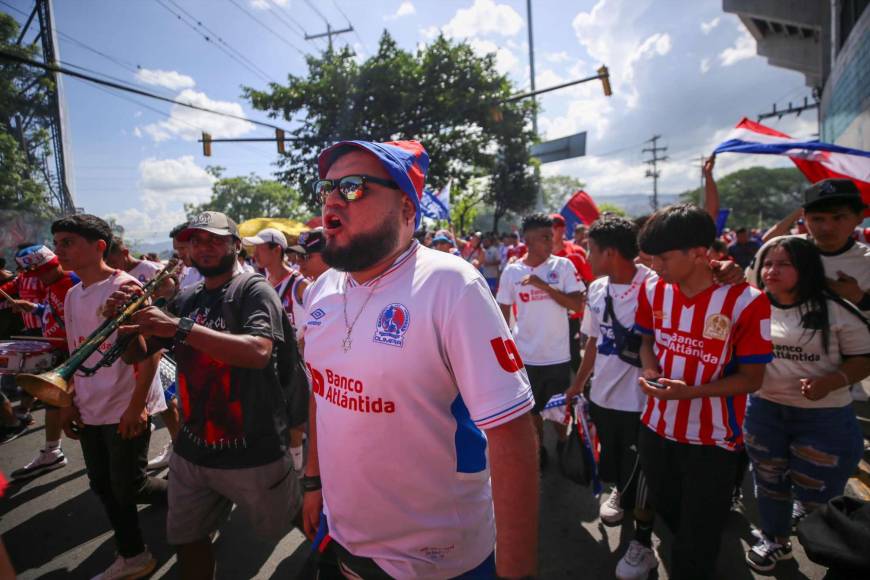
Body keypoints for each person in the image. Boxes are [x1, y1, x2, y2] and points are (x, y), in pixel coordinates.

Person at [302, 140, 538, 578]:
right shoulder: (321, 289)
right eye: (327, 187)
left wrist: (516, 572)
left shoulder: (451, 285)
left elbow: (512, 435)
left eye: (353, 187)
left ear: (408, 211)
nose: (332, 198)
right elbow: (322, 393)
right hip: (347, 539)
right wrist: (313, 481)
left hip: (442, 559)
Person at [116, 211, 303, 580]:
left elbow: (258, 351)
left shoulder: (252, 289)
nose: (204, 247)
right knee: (187, 539)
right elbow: (134, 353)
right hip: (191, 449)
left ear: (235, 245)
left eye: (215, 239)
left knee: (298, 520)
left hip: (253, 449)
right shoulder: (187, 298)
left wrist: (179, 328)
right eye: (196, 241)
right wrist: (125, 323)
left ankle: (339, 563)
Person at [634, 203, 773, 580]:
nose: (655, 267)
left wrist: (691, 393)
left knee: (696, 543)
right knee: (672, 514)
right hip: (655, 429)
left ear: (698, 253)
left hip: (712, 443)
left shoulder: (747, 301)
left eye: (662, 257)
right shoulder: (652, 288)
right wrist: (650, 366)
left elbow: (752, 379)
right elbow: (647, 338)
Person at [743, 237, 870, 573]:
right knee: (768, 481)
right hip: (763, 412)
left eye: (784, 264)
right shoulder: (750, 303)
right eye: (768, 263)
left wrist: (830, 383)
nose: (772, 270)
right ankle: (775, 539)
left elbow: (863, 358)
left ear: (807, 268)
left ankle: (831, 554)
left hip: (824, 420)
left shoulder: (836, 309)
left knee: (818, 494)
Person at [52, 214, 168, 580]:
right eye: (57, 243)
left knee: (129, 485)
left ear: (99, 246)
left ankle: (188, 497)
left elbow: (150, 354)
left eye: (68, 242)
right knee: (103, 484)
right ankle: (133, 552)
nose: (60, 251)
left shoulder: (126, 287)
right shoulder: (72, 294)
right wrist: (68, 400)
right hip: (89, 407)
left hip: (123, 405)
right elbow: (75, 353)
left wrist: (137, 407)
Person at [564, 215, 657, 579]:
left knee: (643, 469)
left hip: (642, 402)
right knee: (616, 464)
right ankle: (619, 494)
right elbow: (591, 341)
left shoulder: (655, 286)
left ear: (611, 252)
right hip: (602, 398)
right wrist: (578, 384)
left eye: (591, 249)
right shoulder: (598, 288)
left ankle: (643, 542)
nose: (586, 255)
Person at [496, 213, 585, 467]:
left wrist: (543, 286)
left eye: (553, 236)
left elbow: (578, 304)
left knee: (558, 413)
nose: (552, 242)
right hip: (526, 358)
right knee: (532, 413)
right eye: (545, 237)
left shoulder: (563, 266)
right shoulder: (512, 272)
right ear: (529, 241)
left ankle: (562, 445)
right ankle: (540, 452)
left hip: (557, 356)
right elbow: (502, 316)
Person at [106, 236, 181, 471]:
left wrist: (154, 306)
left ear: (124, 252)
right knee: (164, 399)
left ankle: (180, 447)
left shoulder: (149, 268)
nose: (111, 263)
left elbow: (172, 291)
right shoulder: (115, 278)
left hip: (160, 342)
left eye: (113, 258)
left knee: (167, 399)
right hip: (140, 342)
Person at [8, 246, 78, 480]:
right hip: (60, 351)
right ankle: (52, 451)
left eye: (41, 272)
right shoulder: (52, 285)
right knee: (52, 403)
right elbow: (53, 311)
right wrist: (35, 308)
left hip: (75, 355)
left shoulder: (72, 282)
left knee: (69, 407)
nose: (38, 278)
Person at [244, 226, 309, 472]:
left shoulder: (299, 284)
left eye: (259, 247)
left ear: (276, 249)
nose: (254, 252)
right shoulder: (261, 283)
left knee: (296, 415)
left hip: (294, 360)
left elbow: (313, 323)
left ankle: (297, 464)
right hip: (270, 359)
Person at [170, 222, 204, 290]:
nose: (179, 255)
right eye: (177, 250)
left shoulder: (212, 273)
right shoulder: (190, 271)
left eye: (182, 248)